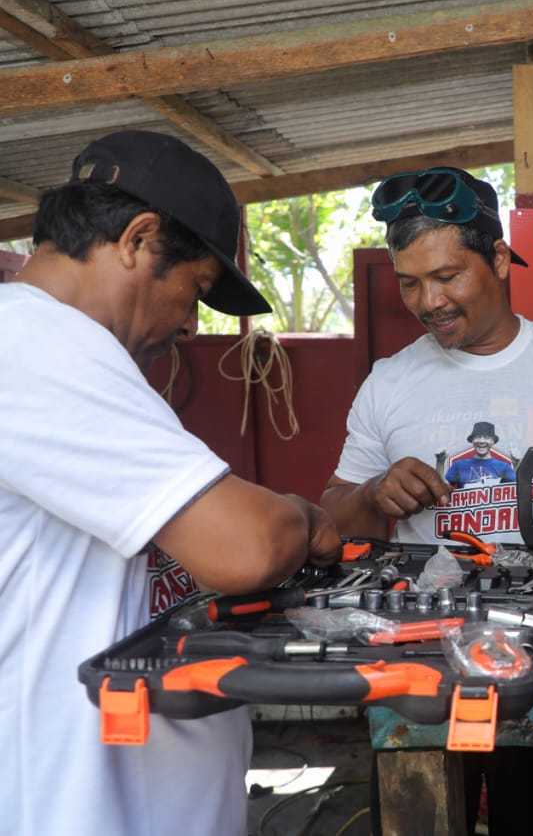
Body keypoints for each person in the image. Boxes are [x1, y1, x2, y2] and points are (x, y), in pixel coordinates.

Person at [0, 131, 341, 834]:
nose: (190, 323)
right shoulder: (31, 346)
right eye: (197, 291)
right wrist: (302, 517)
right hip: (72, 808)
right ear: (138, 239)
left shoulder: (71, 354)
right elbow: (246, 546)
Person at [319, 166, 533, 833]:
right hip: (418, 660)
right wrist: (377, 492)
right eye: (409, 282)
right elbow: (329, 518)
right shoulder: (391, 382)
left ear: (498, 258)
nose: (428, 300)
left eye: (446, 276)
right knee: (420, 816)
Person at [445, 421, 518, 489]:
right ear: (472, 440)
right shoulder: (459, 465)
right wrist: (440, 462)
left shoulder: (504, 467)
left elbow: (515, 489)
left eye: (487, 438)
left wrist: (516, 464)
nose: (482, 441)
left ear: (493, 441)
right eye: (478, 437)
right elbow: (441, 489)